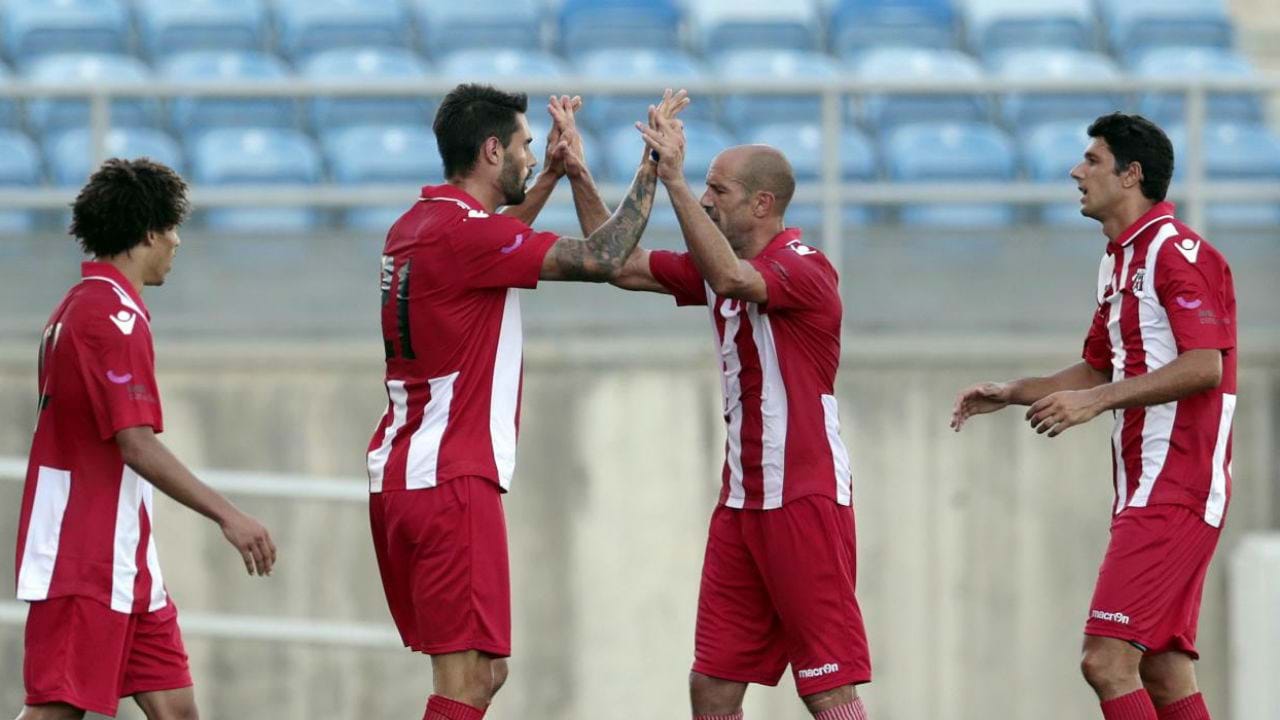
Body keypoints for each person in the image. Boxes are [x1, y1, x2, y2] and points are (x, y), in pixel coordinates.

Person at [365, 84, 688, 720]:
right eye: (523, 147)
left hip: (409, 475)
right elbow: (603, 256)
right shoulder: (466, 238)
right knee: (463, 679)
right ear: (491, 150)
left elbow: (489, 245)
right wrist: (654, 164)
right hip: (450, 478)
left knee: (484, 673)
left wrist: (547, 179)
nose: (529, 155)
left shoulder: (419, 225)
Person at [574, 104, 872, 719]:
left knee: (826, 688)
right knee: (712, 686)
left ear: (763, 204)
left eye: (719, 189)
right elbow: (617, 265)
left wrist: (679, 182)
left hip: (803, 499)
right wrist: (586, 174)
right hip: (741, 503)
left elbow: (736, 279)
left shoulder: (805, 267)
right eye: (704, 186)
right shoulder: (717, 269)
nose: (708, 200)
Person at [951, 113, 1236, 720]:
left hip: (1177, 483)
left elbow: (1205, 365)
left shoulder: (1179, 252)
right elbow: (1098, 367)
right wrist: (1014, 390)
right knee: (1159, 667)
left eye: (1093, 160)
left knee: (1105, 662)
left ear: (1131, 175)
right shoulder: (1118, 262)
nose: (1076, 172)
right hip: (1143, 486)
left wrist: (1095, 402)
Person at [13, 158, 277, 720]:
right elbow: (134, 442)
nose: (178, 242)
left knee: (178, 710)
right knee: (56, 712)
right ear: (150, 232)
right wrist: (229, 515)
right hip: (82, 552)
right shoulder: (108, 317)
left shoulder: (83, 306)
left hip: (124, 559)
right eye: (173, 228)